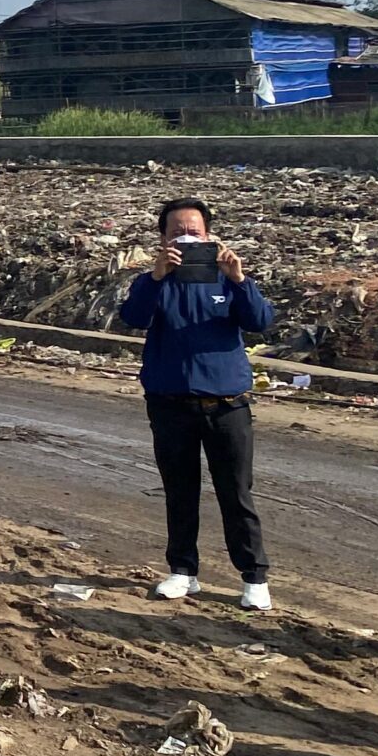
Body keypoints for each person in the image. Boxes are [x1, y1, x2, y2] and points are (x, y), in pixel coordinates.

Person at [120, 197, 273, 610]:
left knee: (236, 493)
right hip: (171, 405)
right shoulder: (152, 282)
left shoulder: (228, 278)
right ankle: (183, 571)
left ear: (209, 235)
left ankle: (254, 578)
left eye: (194, 231)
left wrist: (239, 280)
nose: (186, 238)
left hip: (227, 405)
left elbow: (260, 321)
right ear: (163, 238)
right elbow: (133, 318)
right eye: (177, 232)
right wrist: (156, 276)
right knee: (180, 491)